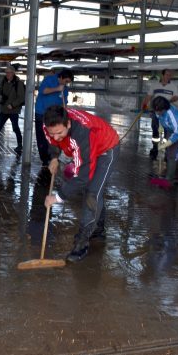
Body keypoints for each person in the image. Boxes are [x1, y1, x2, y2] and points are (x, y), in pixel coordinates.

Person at [42, 106, 120, 263]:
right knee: (93, 190)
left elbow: (83, 176)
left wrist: (58, 197)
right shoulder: (49, 125)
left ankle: (82, 243)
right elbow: (53, 141)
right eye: (52, 133)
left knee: (92, 193)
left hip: (106, 148)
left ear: (68, 124)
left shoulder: (81, 134)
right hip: (89, 147)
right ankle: (98, 229)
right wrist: (55, 157)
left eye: (59, 133)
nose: (56, 137)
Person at [34, 70, 74, 165]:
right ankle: (45, 159)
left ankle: (54, 157)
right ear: (61, 77)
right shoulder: (49, 79)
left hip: (54, 115)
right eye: (66, 81)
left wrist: (65, 113)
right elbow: (42, 91)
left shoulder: (65, 89)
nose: (66, 84)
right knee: (42, 136)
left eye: (68, 82)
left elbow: (64, 103)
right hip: (41, 113)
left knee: (55, 135)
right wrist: (57, 89)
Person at [142, 69, 178, 160]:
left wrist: (167, 101)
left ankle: (167, 152)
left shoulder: (173, 86)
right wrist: (144, 105)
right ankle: (154, 150)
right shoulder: (155, 85)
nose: (169, 76)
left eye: (170, 75)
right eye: (167, 74)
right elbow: (149, 96)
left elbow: (176, 97)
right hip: (156, 111)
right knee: (155, 130)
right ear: (162, 75)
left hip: (167, 112)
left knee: (168, 131)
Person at [151, 96, 178, 184]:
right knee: (170, 152)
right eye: (156, 110)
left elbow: (177, 133)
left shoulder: (173, 114)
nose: (157, 113)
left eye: (159, 111)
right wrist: (161, 130)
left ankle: (169, 179)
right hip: (170, 129)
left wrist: (165, 144)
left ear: (164, 109)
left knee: (173, 153)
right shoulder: (158, 110)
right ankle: (176, 175)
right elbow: (160, 119)